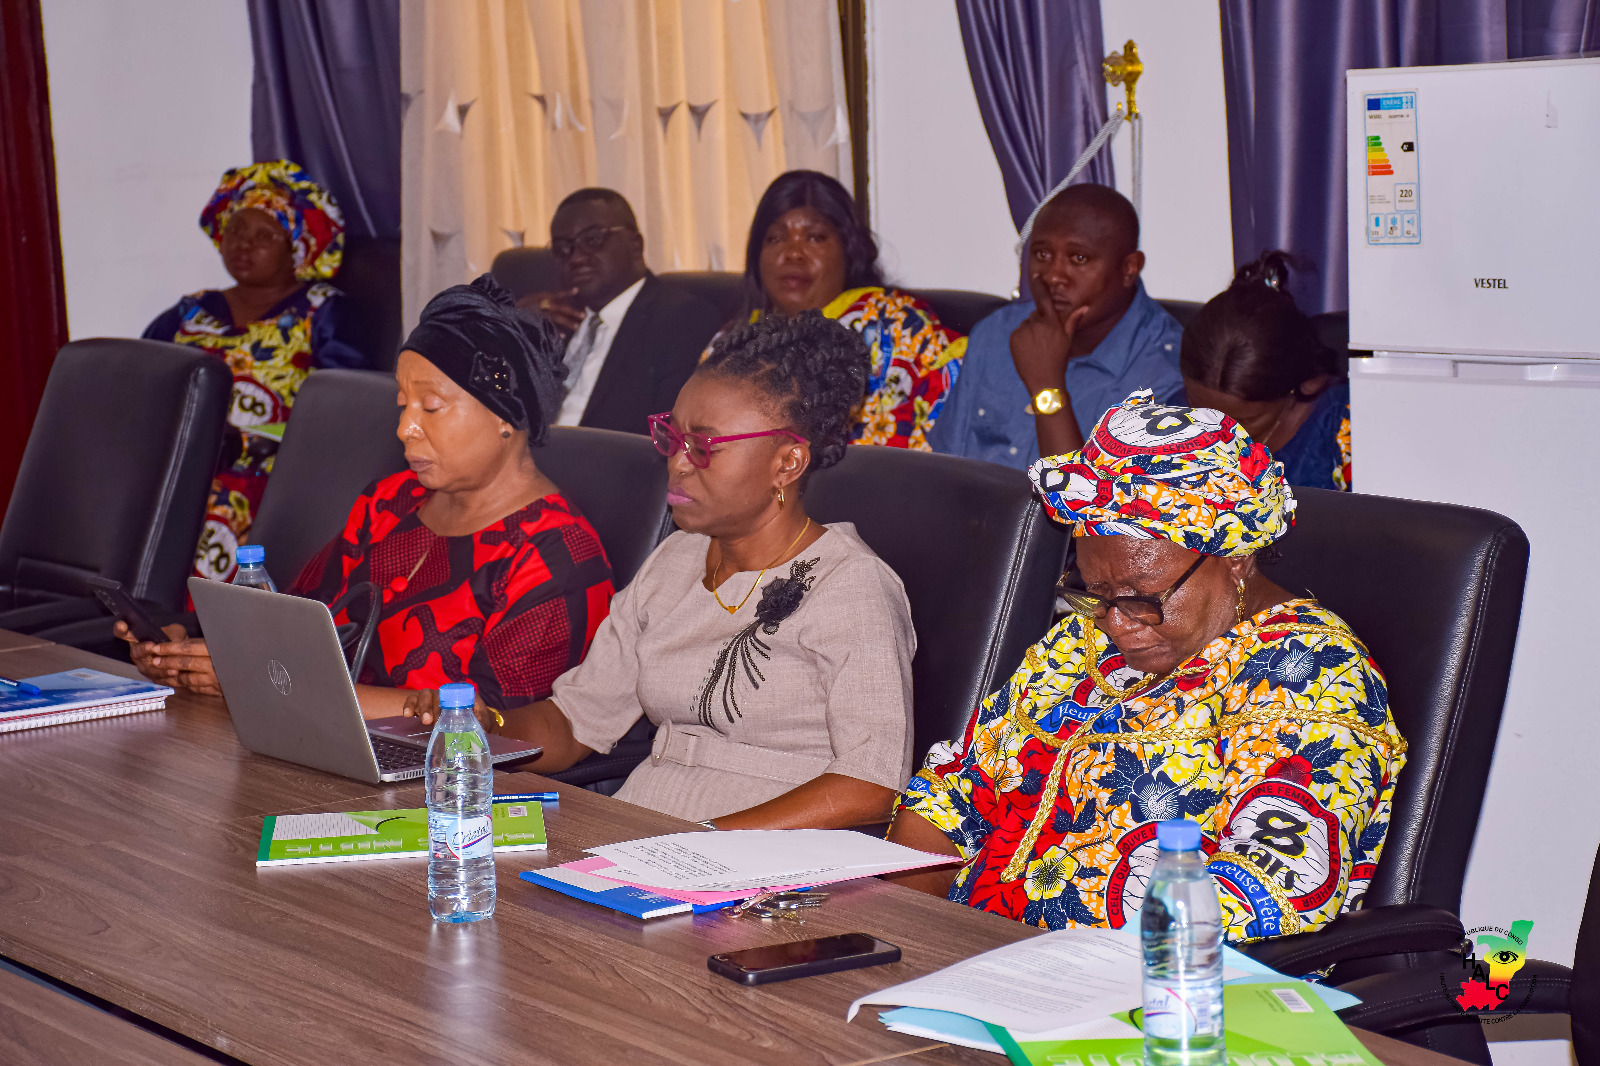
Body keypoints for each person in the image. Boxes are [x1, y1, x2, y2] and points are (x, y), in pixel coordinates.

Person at [887, 390, 1405, 940]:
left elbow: (1273, 886)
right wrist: (905, 925)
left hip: (1146, 973)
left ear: (1234, 558)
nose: (1117, 623)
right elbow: (956, 790)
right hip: (973, 947)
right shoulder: (1081, 640)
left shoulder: (1312, 673)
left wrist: (1054, 961)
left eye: (1144, 597)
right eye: (1097, 591)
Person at [406, 311, 915, 828]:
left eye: (704, 446)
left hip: (768, 851)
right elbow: (575, 722)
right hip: (643, 823)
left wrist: (704, 843)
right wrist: (483, 725)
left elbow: (871, 784)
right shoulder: (676, 560)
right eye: (672, 438)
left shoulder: (849, 585)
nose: (678, 462)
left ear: (787, 462)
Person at [119, 275, 614, 718]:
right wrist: (193, 650)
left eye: (431, 407)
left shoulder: (555, 557)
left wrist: (258, 683)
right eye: (402, 404)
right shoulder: (390, 502)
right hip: (318, 749)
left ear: (506, 416)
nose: (405, 428)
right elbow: (297, 626)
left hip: (442, 785)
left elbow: (493, 731)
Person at [144, 160, 367, 584]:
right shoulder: (191, 311)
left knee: (215, 507)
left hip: (272, 471)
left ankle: (200, 621)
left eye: (264, 236)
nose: (243, 244)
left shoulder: (324, 312)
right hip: (181, 460)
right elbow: (142, 382)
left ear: (297, 249)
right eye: (236, 230)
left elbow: (348, 409)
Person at [930, 183, 1184, 471]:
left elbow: (1084, 498)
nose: (1053, 276)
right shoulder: (998, 332)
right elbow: (946, 469)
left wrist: (1047, 389)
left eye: (1079, 258)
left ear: (1129, 268)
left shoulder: (1164, 374)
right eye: (1042, 254)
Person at [731, 170, 966, 451]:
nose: (793, 253)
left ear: (848, 250)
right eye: (775, 238)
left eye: (815, 237)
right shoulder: (732, 344)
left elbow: (953, 427)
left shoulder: (895, 323)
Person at [515, 188, 724, 435]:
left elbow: (665, 434)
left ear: (635, 244)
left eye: (593, 239)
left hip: (603, 457)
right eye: (562, 248)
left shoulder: (683, 319)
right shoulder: (550, 317)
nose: (576, 258)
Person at [1181, 252, 1351, 491]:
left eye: (1245, 420)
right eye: (1200, 409)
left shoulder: (1344, 427)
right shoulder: (1170, 421)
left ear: (1300, 387)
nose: (1219, 432)